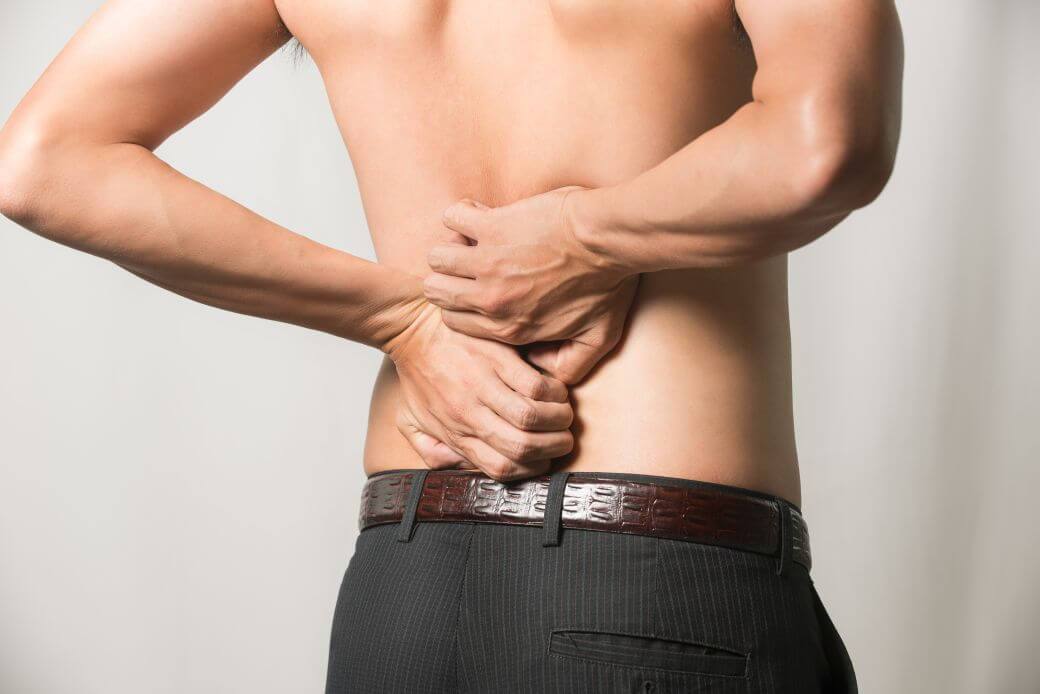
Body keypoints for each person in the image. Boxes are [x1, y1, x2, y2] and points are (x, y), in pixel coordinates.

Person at [0, 0, 903, 691]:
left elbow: (44, 160)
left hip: (406, 583)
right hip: (650, 579)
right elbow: (826, 143)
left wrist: (402, 317)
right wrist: (589, 235)